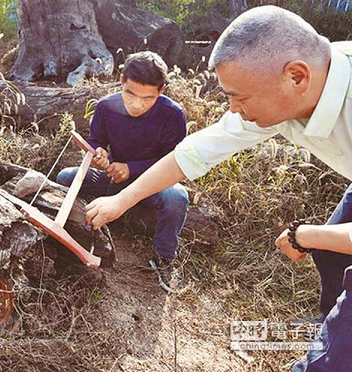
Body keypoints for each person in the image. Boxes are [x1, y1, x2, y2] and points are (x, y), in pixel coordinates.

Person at [85, 5, 352, 371]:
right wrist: (121, 200)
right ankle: (328, 326)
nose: (234, 109)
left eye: (240, 98)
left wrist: (308, 234)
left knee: (332, 359)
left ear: (296, 76)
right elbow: (195, 152)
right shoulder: (283, 92)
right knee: (334, 255)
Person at [56, 51, 189, 292]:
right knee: (66, 177)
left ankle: (164, 257)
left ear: (161, 90)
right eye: (130, 94)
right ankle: (79, 232)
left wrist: (132, 168)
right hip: (112, 178)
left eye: (147, 98)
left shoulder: (173, 115)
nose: (137, 104)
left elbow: (174, 162)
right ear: (122, 82)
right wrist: (99, 154)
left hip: (153, 184)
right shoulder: (106, 107)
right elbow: (96, 140)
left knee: (177, 197)